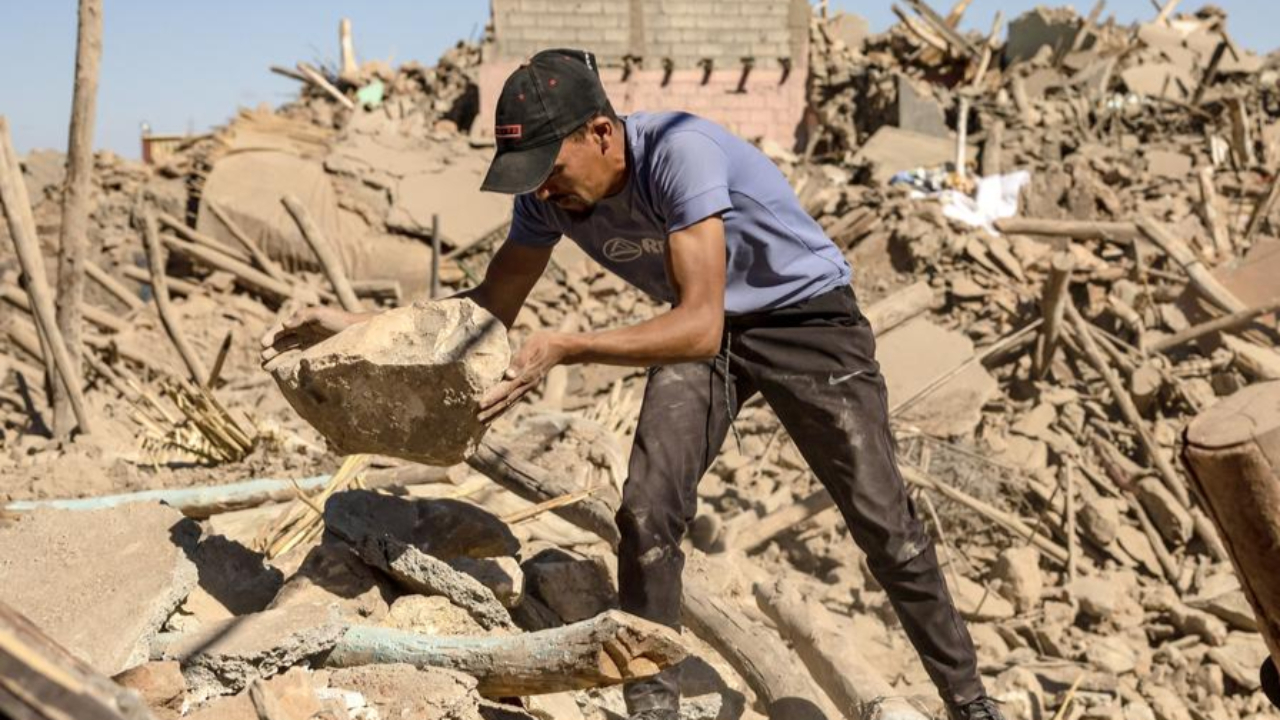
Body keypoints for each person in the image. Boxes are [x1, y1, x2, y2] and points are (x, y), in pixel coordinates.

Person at [263, 48, 1003, 720]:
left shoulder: (681, 153)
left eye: (553, 170)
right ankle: (653, 700)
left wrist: (572, 347)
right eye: (532, 181)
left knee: (883, 522)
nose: (545, 193)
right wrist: (348, 324)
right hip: (701, 328)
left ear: (602, 134)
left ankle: (970, 703)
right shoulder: (545, 197)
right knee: (647, 513)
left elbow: (702, 324)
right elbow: (487, 308)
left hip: (803, 323)